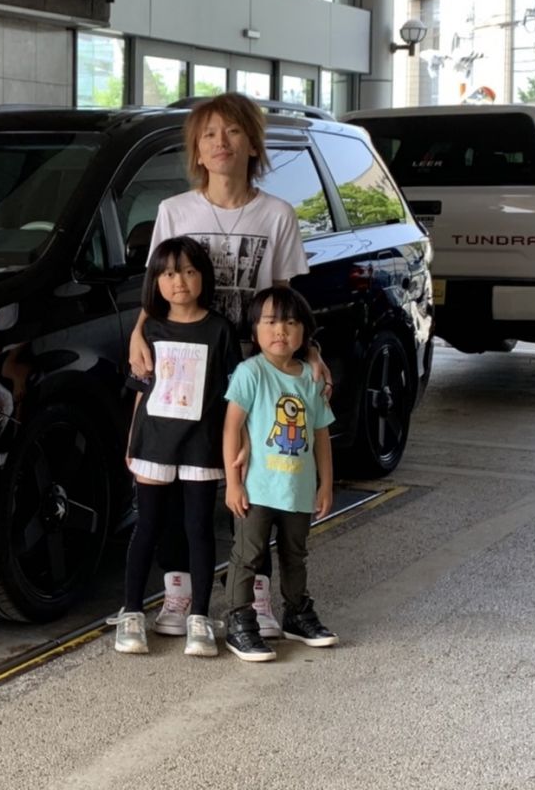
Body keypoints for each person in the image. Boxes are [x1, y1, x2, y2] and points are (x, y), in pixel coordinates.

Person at [127, 92, 329, 640]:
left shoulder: (276, 214)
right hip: (185, 375)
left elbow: (282, 299)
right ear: (196, 146)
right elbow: (157, 293)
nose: (221, 142)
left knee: (256, 485)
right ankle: (179, 596)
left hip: (254, 373)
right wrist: (137, 336)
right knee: (178, 487)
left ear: (252, 143)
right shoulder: (174, 211)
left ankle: (255, 597)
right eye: (210, 133)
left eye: (233, 132)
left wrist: (308, 351)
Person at [109, 237, 241, 656]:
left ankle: (199, 616)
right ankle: (132, 612)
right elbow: (140, 389)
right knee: (147, 526)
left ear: (203, 276)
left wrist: (236, 447)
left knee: (199, 528)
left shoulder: (220, 330)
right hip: (153, 444)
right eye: (167, 273)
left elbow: (234, 395)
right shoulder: (148, 329)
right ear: (156, 281)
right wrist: (132, 439)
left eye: (188, 271)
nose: (178, 281)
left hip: (202, 446)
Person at [221, 286, 339, 662]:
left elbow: (321, 435)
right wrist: (233, 483)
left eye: (291, 322)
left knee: (295, 554)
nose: (281, 331)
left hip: (297, 490)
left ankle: (297, 614)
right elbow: (230, 429)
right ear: (254, 330)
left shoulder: (310, 378)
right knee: (247, 555)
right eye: (270, 322)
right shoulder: (249, 373)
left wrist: (325, 485)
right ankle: (239, 622)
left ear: (305, 332)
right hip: (256, 488)